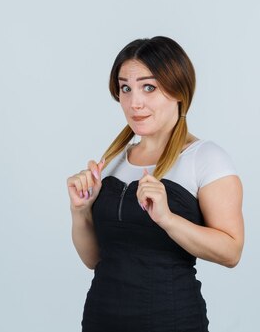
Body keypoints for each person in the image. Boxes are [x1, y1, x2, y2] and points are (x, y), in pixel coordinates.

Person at [67, 36, 244, 332]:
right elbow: (94, 259)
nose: (135, 102)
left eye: (149, 87)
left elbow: (231, 252)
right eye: (126, 88)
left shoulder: (206, 159)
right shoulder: (113, 161)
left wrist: (167, 219)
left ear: (179, 91)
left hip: (172, 321)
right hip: (101, 320)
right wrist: (80, 211)